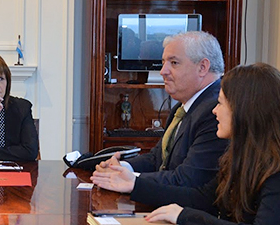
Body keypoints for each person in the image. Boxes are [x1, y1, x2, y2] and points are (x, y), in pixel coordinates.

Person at [92, 63, 280, 225]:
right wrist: (135, 186)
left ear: (245, 110)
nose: (214, 111)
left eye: (220, 103)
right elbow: (204, 198)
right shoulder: (242, 152)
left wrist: (185, 218)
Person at [94, 31, 228, 187]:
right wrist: (120, 168)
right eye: (164, 62)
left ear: (203, 67)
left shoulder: (216, 112)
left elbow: (188, 179)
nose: (163, 71)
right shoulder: (181, 108)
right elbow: (157, 158)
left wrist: (132, 181)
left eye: (174, 63)